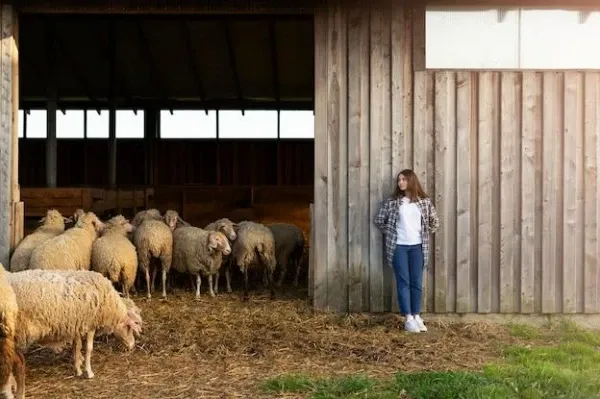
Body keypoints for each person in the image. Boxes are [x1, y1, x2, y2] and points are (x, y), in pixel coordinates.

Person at [373, 169, 439, 333]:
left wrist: (424, 231)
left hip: (417, 247)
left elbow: (435, 222)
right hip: (399, 247)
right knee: (404, 282)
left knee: (416, 282)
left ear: (411, 181)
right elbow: (379, 220)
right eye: (399, 180)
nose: (400, 183)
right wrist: (391, 233)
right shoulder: (393, 202)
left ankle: (417, 316)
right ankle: (408, 318)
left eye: (404, 179)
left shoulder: (424, 202)